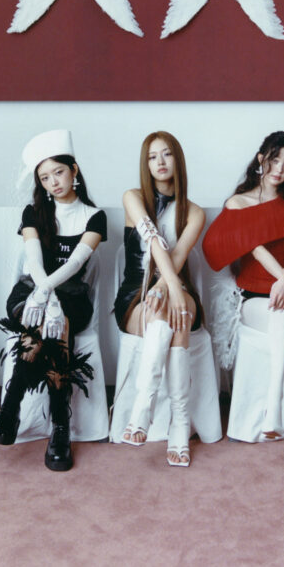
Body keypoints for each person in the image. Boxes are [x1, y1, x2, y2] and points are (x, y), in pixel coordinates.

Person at [203, 130, 284, 474]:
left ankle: (280, 409)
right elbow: (255, 248)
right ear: (261, 159)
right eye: (275, 160)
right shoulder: (238, 203)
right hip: (256, 296)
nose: (280, 169)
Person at [0, 129, 106, 472]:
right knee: (43, 324)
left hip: (73, 295)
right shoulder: (33, 213)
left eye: (59, 172)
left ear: (74, 170)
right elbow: (34, 261)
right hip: (31, 291)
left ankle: (14, 412)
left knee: (57, 326)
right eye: (45, 177)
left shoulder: (94, 216)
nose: (53, 182)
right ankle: (58, 429)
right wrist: (45, 296)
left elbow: (76, 264)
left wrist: (52, 298)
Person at [113, 131, 206, 466]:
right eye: (152, 157)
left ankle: (153, 413)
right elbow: (152, 240)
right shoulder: (132, 197)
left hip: (175, 287)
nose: (160, 162)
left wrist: (169, 287)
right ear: (146, 164)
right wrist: (169, 288)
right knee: (163, 312)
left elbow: (178, 256)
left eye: (166, 154)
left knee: (171, 310)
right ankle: (166, 416)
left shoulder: (194, 212)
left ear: (177, 159)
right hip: (135, 294)